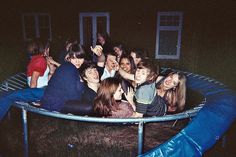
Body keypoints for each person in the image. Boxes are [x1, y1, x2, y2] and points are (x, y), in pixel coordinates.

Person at [41, 43, 85, 112]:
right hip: (54, 107)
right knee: (89, 106)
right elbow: (73, 96)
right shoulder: (69, 68)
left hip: (51, 104)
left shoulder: (69, 67)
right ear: (69, 58)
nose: (77, 61)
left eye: (80, 58)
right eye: (73, 58)